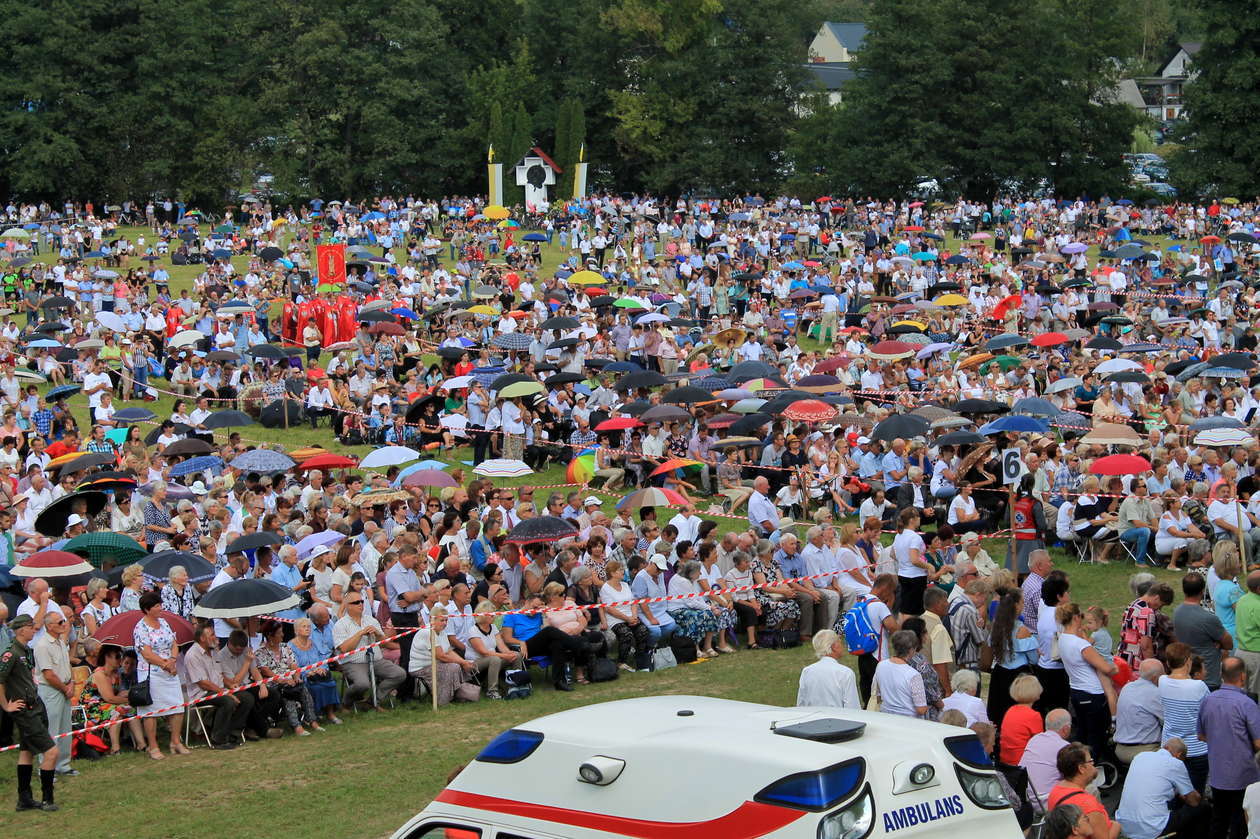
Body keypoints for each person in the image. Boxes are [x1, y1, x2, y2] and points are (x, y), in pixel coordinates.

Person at [0, 614, 61, 811]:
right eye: (30, 626)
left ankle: (24, 799)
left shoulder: (26, 650)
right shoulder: (10, 653)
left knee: (26, 753)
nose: (33, 629)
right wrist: (6, 706)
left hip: (34, 705)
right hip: (25, 710)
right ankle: (47, 799)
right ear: (20, 630)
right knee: (51, 752)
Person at [1198, 656, 1260, 838]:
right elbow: (1258, 742)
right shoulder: (1247, 704)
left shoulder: (1208, 700)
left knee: (1219, 820)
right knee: (1240, 824)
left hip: (1218, 774)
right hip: (1243, 775)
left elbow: (1201, 735)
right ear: (1242, 677)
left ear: (1221, 675)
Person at [1056, 602, 1117, 763]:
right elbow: (1106, 668)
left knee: (1082, 732)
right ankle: (1093, 766)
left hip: (1076, 691)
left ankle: (1076, 763)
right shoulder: (1081, 645)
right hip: (1093, 694)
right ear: (1076, 618)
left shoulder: (1063, 638)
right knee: (1096, 736)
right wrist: (1114, 668)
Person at [132, 591, 187, 760]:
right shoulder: (140, 628)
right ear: (147, 609)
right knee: (152, 711)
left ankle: (175, 741)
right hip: (151, 672)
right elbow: (147, 654)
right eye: (156, 606)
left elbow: (174, 643)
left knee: (178, 706)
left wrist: (172, 660)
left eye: (160, 605)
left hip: (170, 670)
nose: (160, 608)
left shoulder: (164, 622)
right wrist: (164, 664)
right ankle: (153, 746)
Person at [1114, 738, 1206, 839]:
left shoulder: (1140, 756)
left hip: (1124, 825)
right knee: (1202, 808)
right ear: (1179, 755)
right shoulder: (1176, 763)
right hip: (1151, 828)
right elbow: (1193, 801)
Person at [184, 623, 254, 750]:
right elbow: (203, 683)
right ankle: (218, 739)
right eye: (212, 635)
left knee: (247, 698)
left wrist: (231, 685)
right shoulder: (192, 655)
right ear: (202, 638)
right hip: (201, 694)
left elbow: (220, 676)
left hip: (218, 690)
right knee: (227, 701)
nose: (215, 637)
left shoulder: (214, 652)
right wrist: (225, 693)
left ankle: (232, 733)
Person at [333, 589, 406, 710]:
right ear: (347, 606)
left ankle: (373, 700)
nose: (360, 604)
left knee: (399, 674)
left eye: (361, 601)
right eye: (356, 602)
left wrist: (377, 634)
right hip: (353, 662)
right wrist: (360, 633)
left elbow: (384, 643)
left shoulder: (371, 620)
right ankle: (346, 702)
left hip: (376, 660)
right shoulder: (340, 625)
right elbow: (345, 648)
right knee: (362, 684)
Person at [1160, 641, 1211, 791]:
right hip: (1197, 748)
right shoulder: (1198, 686)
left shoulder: (1162, 681)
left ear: (1168, 663)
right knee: (1195, 792)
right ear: (1188, 661)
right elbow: (1208, 713)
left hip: (1170, 747)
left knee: (1172, 791)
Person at [1046, 742, 1120, 839]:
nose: (1093, 764)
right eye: (1090, 761)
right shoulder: (1088, 804)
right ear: (1081, 768)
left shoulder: (1056, 790)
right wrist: (1116, 825)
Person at [33, 611, 74, 776]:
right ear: (49, 626)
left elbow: (66, 665)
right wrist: (65, 689)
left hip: (64, 687)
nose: (64, 624)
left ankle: (63, 765)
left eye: (63, 621)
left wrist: (70, 683)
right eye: (60, 622)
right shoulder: (42, 645)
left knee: (65, 728)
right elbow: (48, 674)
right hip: (51, 690)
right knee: (51, 729)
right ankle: (46, 768)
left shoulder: (60, 642)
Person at [1174, 571, 1232, 689]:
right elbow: (1229, 644)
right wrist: (1219, 644)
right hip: (1207, 676)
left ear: (1184, 590)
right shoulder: (1208, 618)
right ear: (1202, 592)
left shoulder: (1176, 612)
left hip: (1186, 671)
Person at [408, 606, 477, 705]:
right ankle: (443, 701)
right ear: (432, 619)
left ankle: (458, 695)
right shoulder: (427, 632)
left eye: (446, 620)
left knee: (463, 664)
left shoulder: (442, 632)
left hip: (435, 663)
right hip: (420, 667)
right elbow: (441, 656)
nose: (445, 623)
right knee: (453, 667)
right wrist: (462, 662)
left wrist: (465, 662)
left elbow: (449, 652)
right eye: (442, 620)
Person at [464, 601, 524, 699]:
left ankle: (517, 685)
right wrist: (505, 656)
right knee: (494, 659)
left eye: (494, 614)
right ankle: (492, 691)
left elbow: (501, 646)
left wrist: (509, 653)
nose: (494, 616)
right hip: (475, 662)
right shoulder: (473, 630)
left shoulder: (493, 627)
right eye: (491, 615)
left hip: (492, 658)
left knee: (516, 655)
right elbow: (484, 652)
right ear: (483, 615)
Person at [1113, 658, 1164, 766]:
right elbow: (1167, 720)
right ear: (1155, 677)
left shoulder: (1127, 687)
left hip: (1120, 748)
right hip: (1145, 751)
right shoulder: (1155, 693)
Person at [1020, 707, 1073, 804]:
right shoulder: (1064, 747)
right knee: (1088, 788)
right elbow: (1075, 776)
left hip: (1025, 797)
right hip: (1045, 801)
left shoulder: (1035, 739)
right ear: (1065, 729)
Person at [796, 629, 860, 709]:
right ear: (834, 646)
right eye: (840, 642)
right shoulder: (845, 673)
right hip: (837, 719)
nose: (843, 645)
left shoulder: (807, 671)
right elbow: (852, 707)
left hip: (812, 719)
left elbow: (801, 704)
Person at [873, 629, 927, 718]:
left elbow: (878, 696)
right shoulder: (913, 675)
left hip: (885, 716)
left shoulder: (881, 665)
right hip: (909, 722)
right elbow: (921, 709)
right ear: (911, 649)